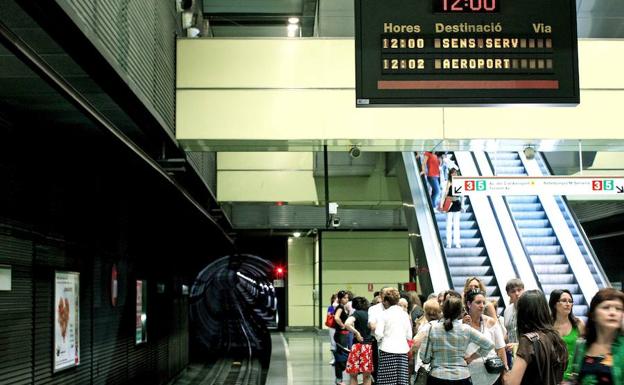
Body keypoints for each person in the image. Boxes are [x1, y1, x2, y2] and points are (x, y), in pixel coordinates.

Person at [420, 295, 494, 385]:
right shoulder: (466, 329)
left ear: (443, 310)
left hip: (438, 377)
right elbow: (489, 345)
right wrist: (472, 357)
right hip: (462, 377)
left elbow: (424, 358)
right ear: (460, 312)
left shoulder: (432, 328)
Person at [502, 290, 567, 385]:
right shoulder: (555, 336)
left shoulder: (527, 341)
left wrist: (504, 372)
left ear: (523, 313)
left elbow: (512, 382)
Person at [567, 288, 624, 385]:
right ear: (593, 315)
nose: (612, 313)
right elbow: (574, 378)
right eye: (606, 307)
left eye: (618, 309)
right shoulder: (581, 346)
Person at [464, 289, 508, 385]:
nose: (482, 305)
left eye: (483, 302)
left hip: (493, 374)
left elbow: (501, 349)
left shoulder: (491, 322)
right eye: (478, 302)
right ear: (469, 304)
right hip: (470, 375)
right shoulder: (461, 324)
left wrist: (505, 372)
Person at [374, 288, 412, 385]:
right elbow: (409, 336)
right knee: (401, 381)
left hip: (387, 350)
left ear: (386, 301)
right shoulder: (405, 315)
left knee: (386, 381)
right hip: (402, 351)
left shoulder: (383, 314)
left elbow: (378, 334)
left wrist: (382, 340)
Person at [548, 289, 586, 382]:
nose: (568, 304)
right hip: (551, 376)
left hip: (573, 377)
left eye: (570, 301)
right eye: (564, 301)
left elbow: (585, 350)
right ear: (554, 304)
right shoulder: (547, 325)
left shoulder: (578, 323)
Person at [345, 296, 374, 385]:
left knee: (353, 374)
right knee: (367, 375)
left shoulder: (356, 313)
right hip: (368, 346)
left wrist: (356, 332)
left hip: (357, 346)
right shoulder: (370, 314)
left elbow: (347, 323)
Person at [439, 167, 463, 248]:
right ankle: (448, 242)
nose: (454, 174)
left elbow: (461, 195)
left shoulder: (459, 182)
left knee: (456, 224)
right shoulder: (448, 182)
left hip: (456, 203)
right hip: (448, 203)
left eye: (455, 173)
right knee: (448, 224)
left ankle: (457, 242)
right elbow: (444, 194)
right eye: (452, 173)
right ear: (450, 174)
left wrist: (462, 205)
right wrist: (441, 205)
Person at [503, 278, 524, 366]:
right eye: (513, 291)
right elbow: (509, 332)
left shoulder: (530, 308)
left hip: (525, 353)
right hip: (513, 356)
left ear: (524, 290)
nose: (517, 294)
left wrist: (517, 345)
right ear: (508, 294)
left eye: (519, 290)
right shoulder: (507, 310)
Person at [333, 290, 351, 385]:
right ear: (340, 299)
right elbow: (336, 317)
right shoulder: (340, 307)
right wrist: (342, 325)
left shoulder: (343, 307)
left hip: (343, 335)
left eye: (347, 297)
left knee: (343, 355)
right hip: (341, 335)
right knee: (341, 356)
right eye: (344, 298)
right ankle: (339, 379)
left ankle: (339, 378)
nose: (346, 299)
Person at [328, 293, 338, 365]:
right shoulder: (331, 307)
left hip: (341, 327)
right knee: (333, 342)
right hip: (333, 327)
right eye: (335, 298)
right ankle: (333, 358)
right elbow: (329, 315)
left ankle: (340, 358)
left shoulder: (342, 307)